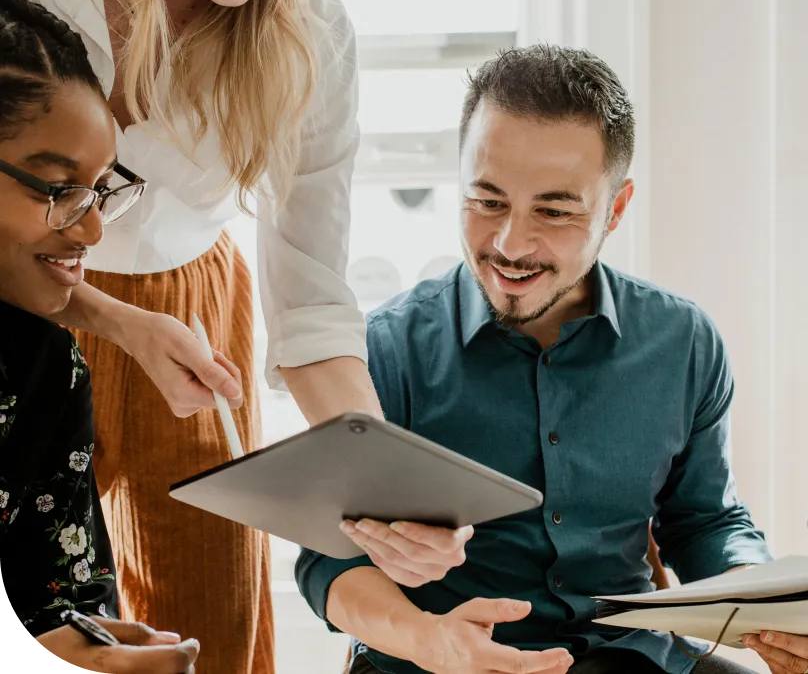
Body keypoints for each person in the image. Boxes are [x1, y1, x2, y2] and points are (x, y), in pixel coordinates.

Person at [0, 0, 467, 670]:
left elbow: (315, 310)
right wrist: (117, 322)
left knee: (208, 640)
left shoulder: (311, 33)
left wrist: (388, 495)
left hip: (191, 309)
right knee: (53, 622)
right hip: (11, 304)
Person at [296, 45, 808, 674]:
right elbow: (329, 561)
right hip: (435, 659)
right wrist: (430, 641)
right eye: (486, 202)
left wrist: (767, 608)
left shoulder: (684, 342)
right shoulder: (382, 349)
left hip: (628, 658)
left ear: (615, 210)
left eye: (554, 211)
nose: (510, 244)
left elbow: (703, 521)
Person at [0, 0, 200, 672]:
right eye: (58, 189)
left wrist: (89, 650)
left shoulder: (46, 372)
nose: (90, 228)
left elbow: (60, 602)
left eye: (100, 190)